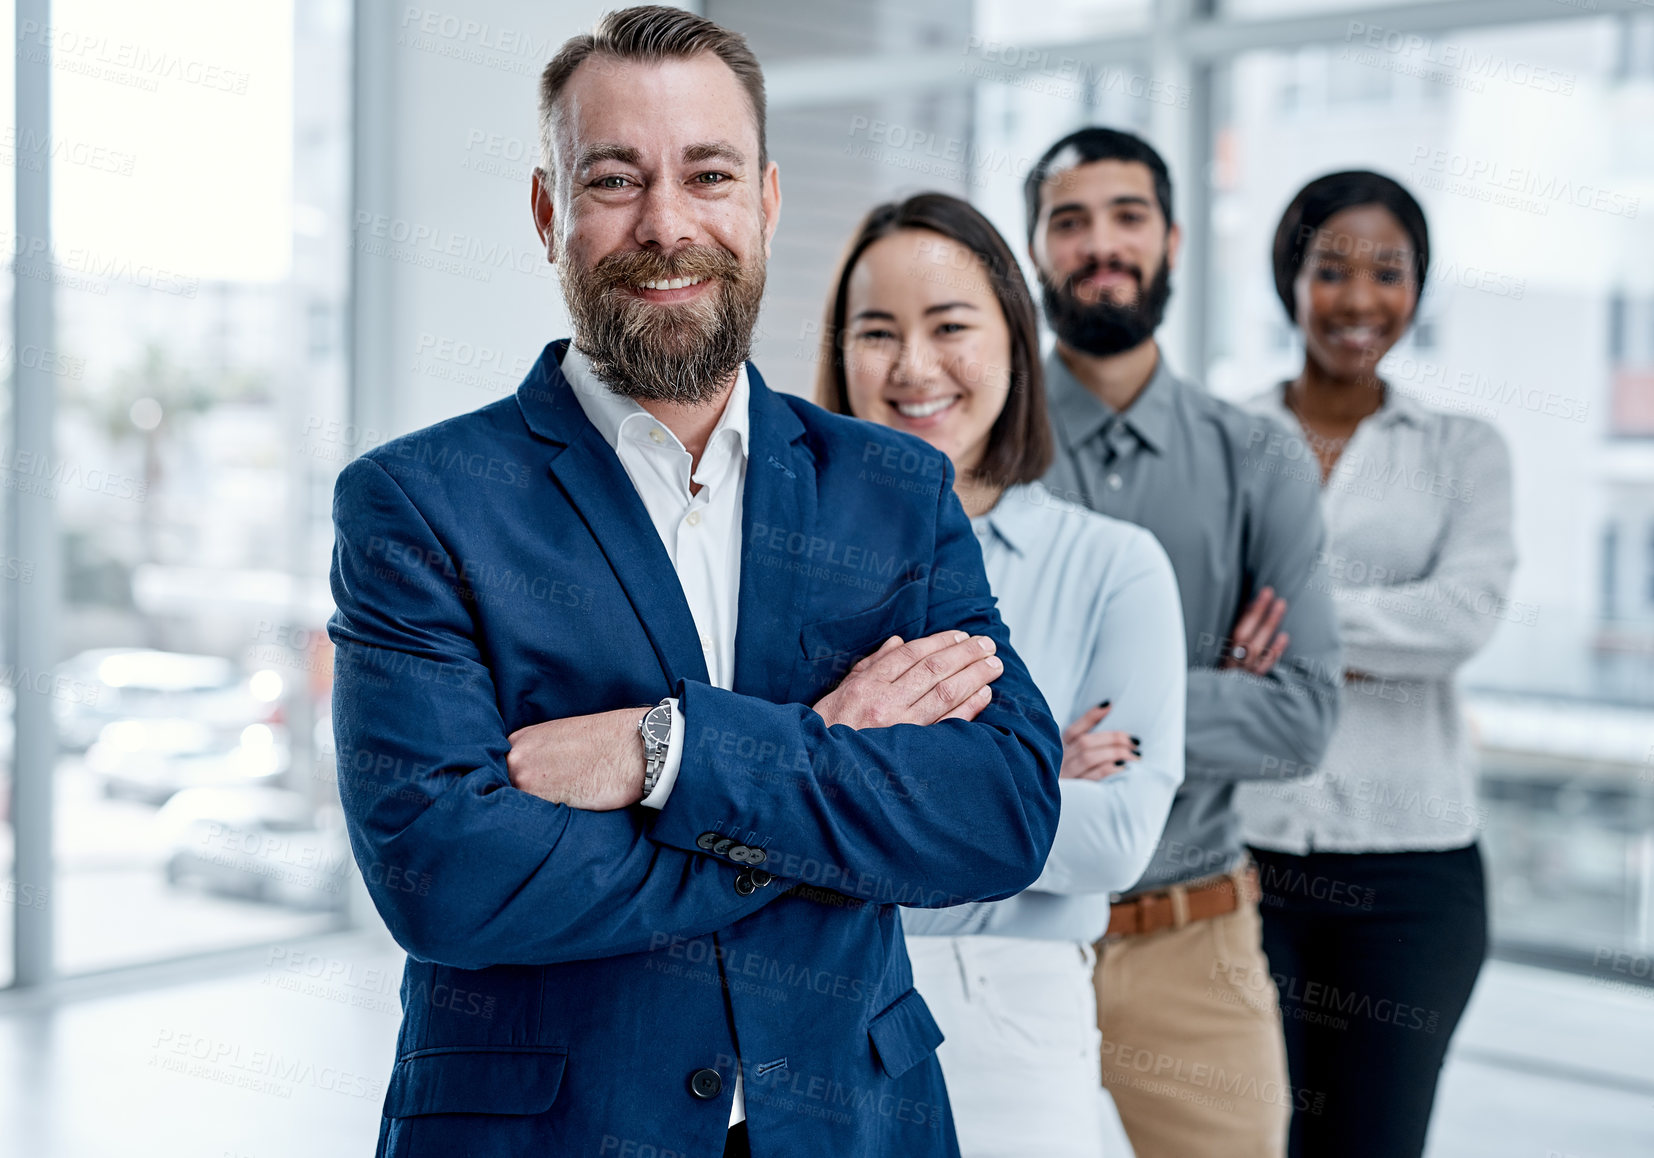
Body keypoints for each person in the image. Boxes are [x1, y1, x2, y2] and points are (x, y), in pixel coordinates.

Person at [327, 9, 1064, 1158]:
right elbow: (448, 877)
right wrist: (824, 756)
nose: (666, 224)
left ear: (764, 200)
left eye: (707, 174)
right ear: (547, 213)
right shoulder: (418, 503)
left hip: (853, 1124)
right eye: (615, 179)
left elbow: (1001, 813)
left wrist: (667, 755)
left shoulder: (893, 489)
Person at [816, 192, 1185, 1157]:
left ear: (1017, 344)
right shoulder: (782, 562)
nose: (912, 367)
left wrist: (847, 775)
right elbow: (749, 816)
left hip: (1010, 1008)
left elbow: (1114, 842)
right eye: (876, 332)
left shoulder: (1116, 565)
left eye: (949, 327)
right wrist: (1012, 781)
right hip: (810, 997)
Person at [1024, 126, 1343, 1157]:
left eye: (1126, 218)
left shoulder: (1260, 455)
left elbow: (1300, 717)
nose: (1099, 245)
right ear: (1036, 248)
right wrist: (1200, 688)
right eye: (1069, 221)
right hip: (1005, 927)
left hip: (1192, 945)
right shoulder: (969, 449)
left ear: (1170, 238)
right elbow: (944, 705)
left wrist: (1067, 703)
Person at [1237, 170, 1516, 1158]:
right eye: (1331, 270)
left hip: (1414, 877)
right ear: (1291, 281)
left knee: (1371, 1142)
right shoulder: (1228, 441)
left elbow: (1462, 617)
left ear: (1417, 286)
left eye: (1388, 272)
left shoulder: (1462, 451)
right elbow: (1194, 623)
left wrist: (1287, 620)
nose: (1360, 299)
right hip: (1244, 862)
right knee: (1241, 1137)